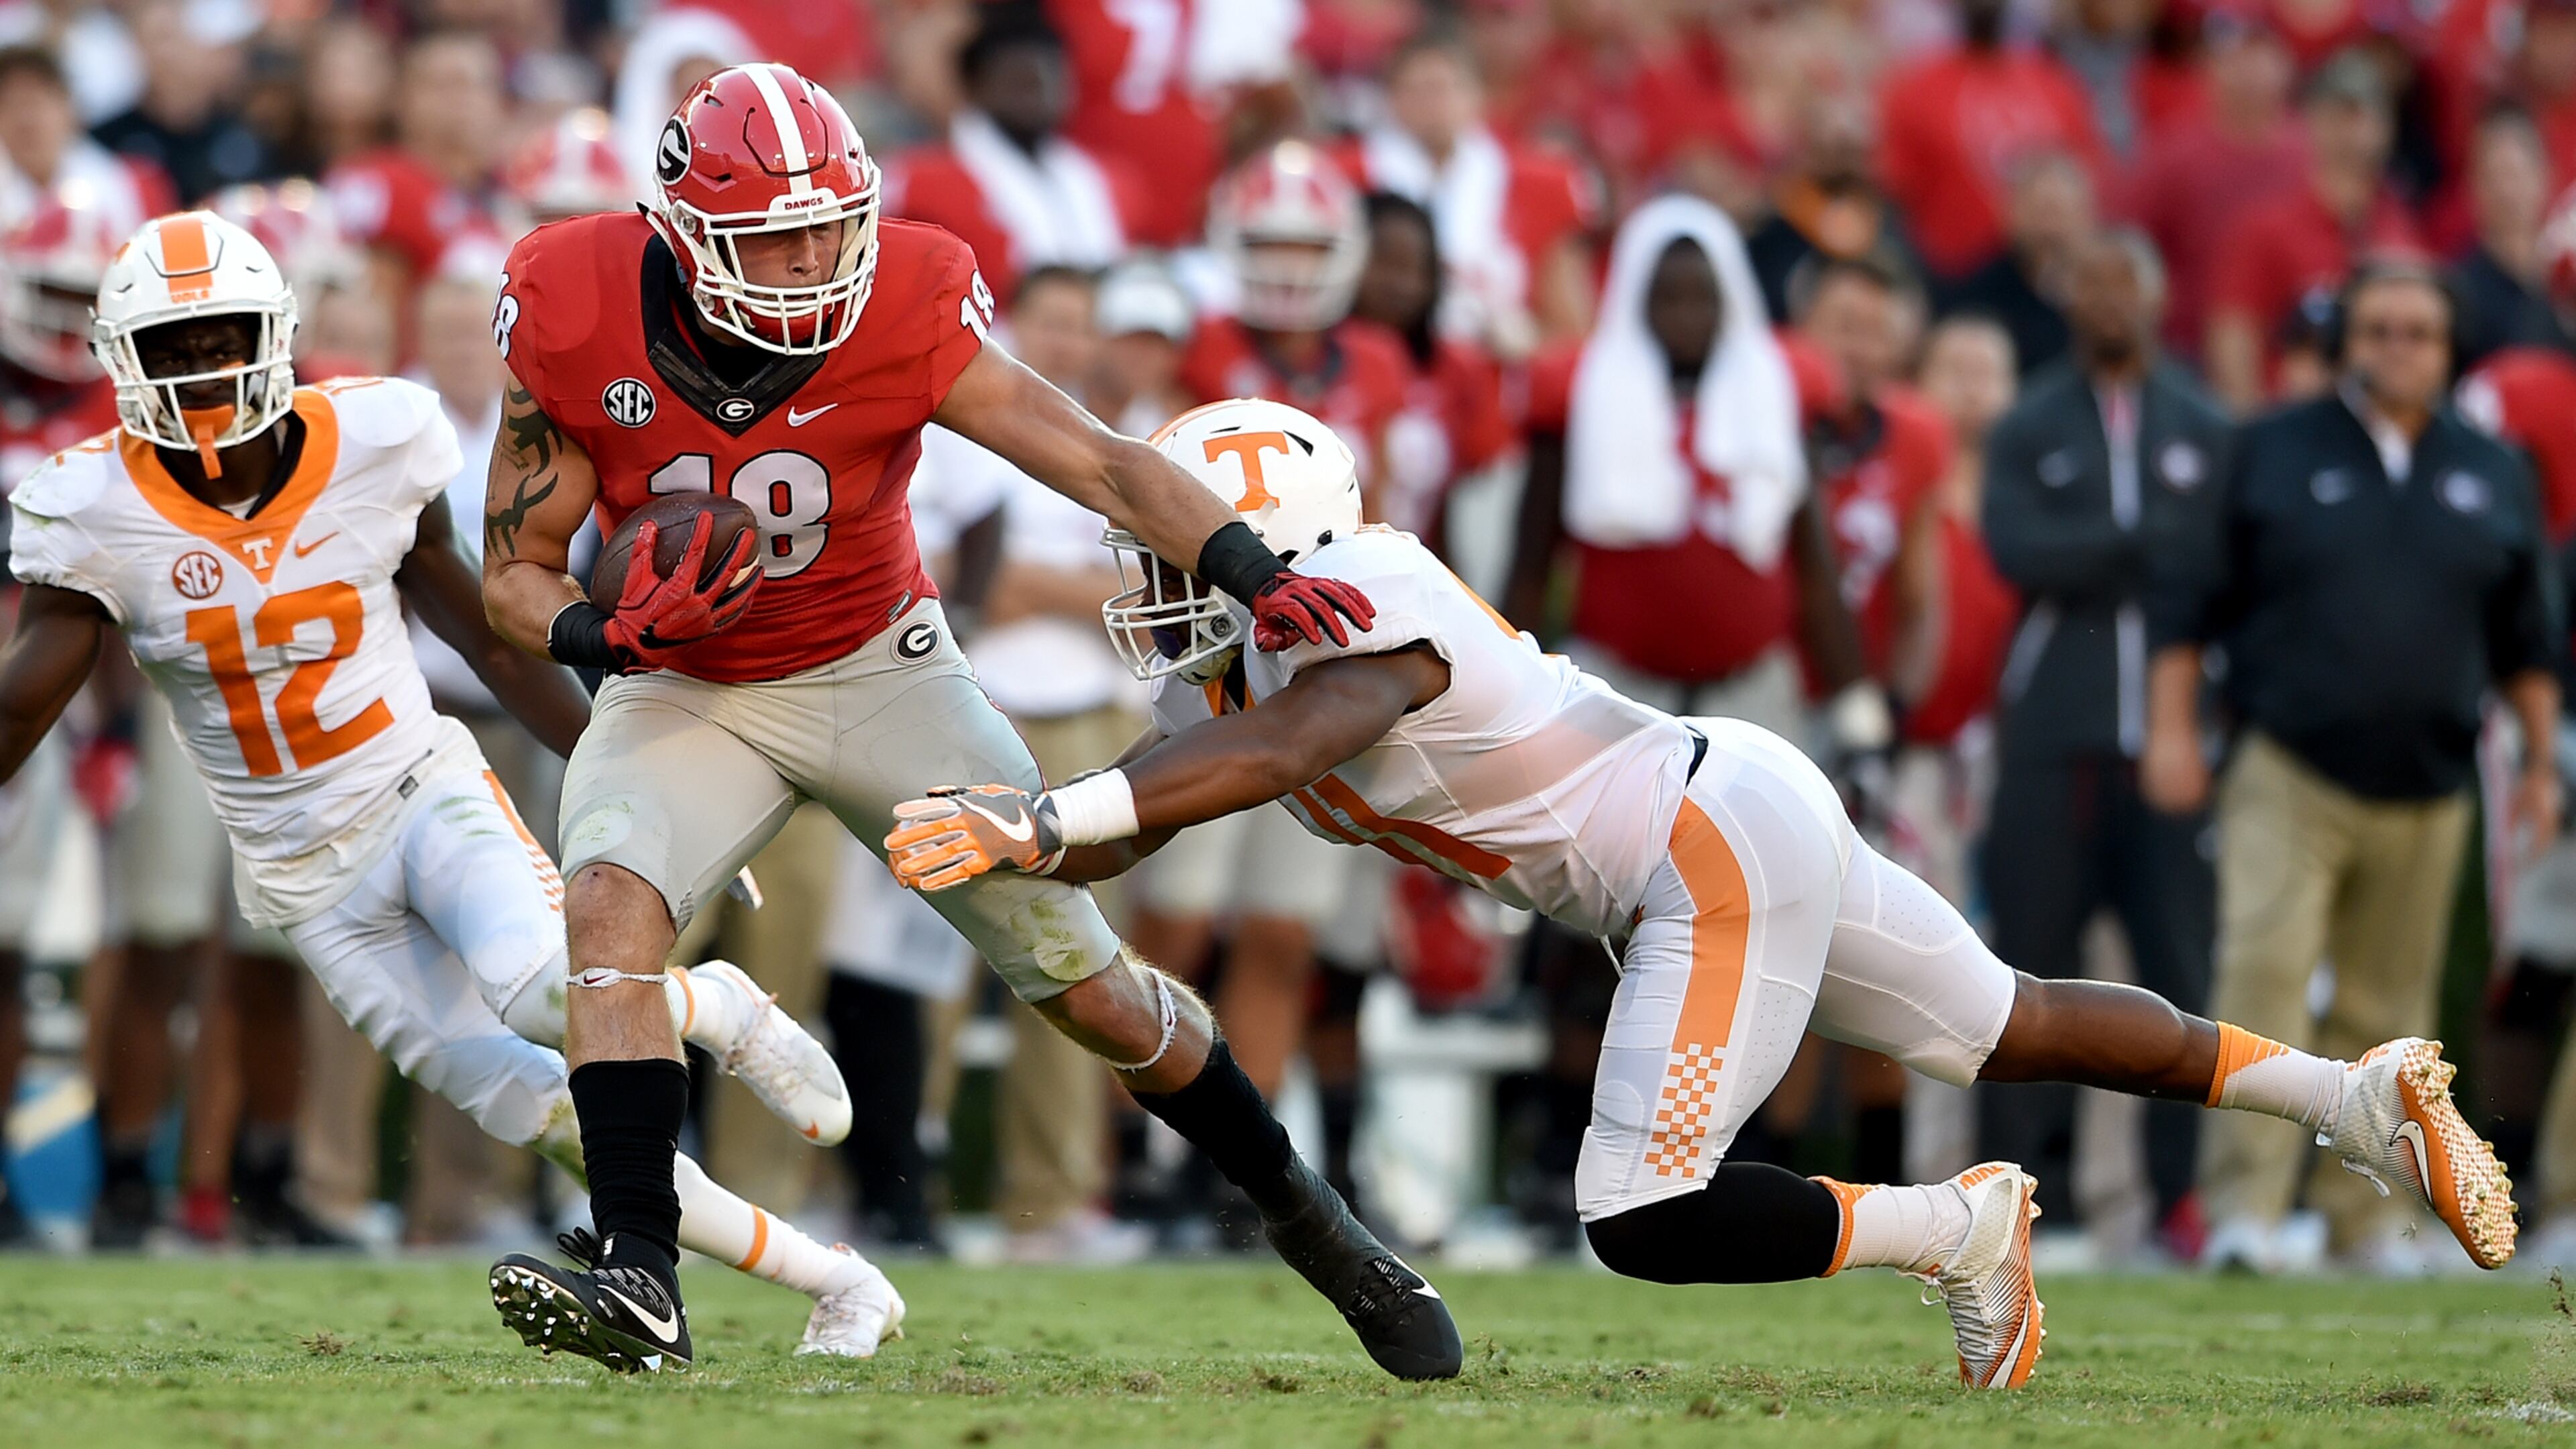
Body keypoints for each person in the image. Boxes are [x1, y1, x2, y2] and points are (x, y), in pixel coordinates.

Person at [883, 394, 2518, 1393]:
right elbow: (1136, 828)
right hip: (1719, 807)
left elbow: (1316, 728)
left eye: (1182, 547)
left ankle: (1959, 1223)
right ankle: (2351, 1095)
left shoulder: (1361, 592)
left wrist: (1053, 806)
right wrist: (1013, 830)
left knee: (1641, 1214)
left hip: (1696, 842)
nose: (1155, 581)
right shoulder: (1228, 684)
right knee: (2001, 1022)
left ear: (1277, 537)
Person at [479, 63, 1458, 1380]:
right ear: (687, 236)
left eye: (831, 226)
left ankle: (1317, 1222)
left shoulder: (903, 294)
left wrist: (1257, 574)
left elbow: (1103, 461)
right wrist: (603, 637)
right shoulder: (571, 299)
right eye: (778, 236)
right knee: (607, 915)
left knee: (1098, 995)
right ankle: (641, 1272)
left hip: (882, 666)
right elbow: (512, 575)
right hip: (689, 684)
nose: (816, 259)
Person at [0, 212, 890, 1352]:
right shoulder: (97, 511)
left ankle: (715, 1003)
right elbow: (29, 696)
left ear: (275, 336)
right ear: (121, 361)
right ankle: (843, 1283)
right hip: (306, 885)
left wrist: (625, 777)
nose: (203, 370)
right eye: (172, 346)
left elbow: (492, 641)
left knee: (545, 997)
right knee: (561, 1119)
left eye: (220, 337)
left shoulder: (373, 441)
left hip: (424, 792)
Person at [2142, 261, 2559, 1271]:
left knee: (2390, 1014)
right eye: (2378, 329)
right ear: (2347, 340)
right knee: (2263, 984)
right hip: (2288, 766)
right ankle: (2242, 1213)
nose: (2398, 348)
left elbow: (2525, 638)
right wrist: (2170, 730)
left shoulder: (2494, 466)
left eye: (2419, 331)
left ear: (2448, 346)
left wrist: (2542, 764)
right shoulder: (2269, 449)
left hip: (2431, 781)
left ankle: (2361, 1219)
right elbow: (2189, 605)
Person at [1976, 231, 2233, 1242]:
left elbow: (2219, 561)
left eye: (2132, 282)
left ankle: (2181, 1198)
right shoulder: (2030, 420)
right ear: (2068, 294)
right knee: (2031, 971)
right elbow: (2018, 548)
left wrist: (2120, 555)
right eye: (2096, 281)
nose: (2113, 302)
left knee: (2180, 967)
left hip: (2174, 738)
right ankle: (2025, 1196)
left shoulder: (2205, 424)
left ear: (2161, 297)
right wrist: (2148, 544)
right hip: (2056, 733)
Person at [1330, 30, 1597, 356]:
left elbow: (1572, 330)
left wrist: (1530, 343)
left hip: (1497, 368)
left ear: (1479, 96)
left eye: (1446, 88)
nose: (1434, 105)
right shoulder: (1344, 176)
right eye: (1419, 90)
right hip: (1386, 356)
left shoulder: (1539, 183)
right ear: (1392, 99)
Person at [2204, 50, 2421, 413]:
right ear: (2313, 121)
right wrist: (2252, 434)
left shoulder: (2398, 223)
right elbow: (2233, 338)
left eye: (2369, 113)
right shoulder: (2266, 228)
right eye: (2342, 114)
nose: (2357, 128)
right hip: (2296, 427)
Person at [883, 1, 1130, 307]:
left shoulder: (1095, 179)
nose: (1037, 90)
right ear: (979, 83)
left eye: (1048, 74)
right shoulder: (924, 184)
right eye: (1020, 78)